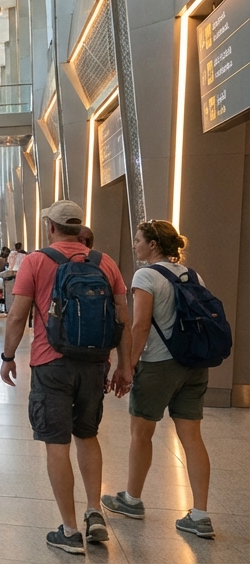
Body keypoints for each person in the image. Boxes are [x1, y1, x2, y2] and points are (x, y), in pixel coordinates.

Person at [0, 200, 130, 555]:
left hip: (50, 363)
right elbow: (122, 318)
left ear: (50, 226)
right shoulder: (105, 262)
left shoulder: (37, 261)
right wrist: (124, 365)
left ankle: (70, 531)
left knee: (56, 443)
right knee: (87, 435)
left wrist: (8, 357)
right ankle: (94, 512)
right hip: (95, 363)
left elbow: (16, 315)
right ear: (80, 228)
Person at [102, 220, 216, 539]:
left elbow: (140, 326)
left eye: (139, 240)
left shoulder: (146, 275)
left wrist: (130, 364)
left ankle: (132, 499)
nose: (135, 245)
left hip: (158, 363)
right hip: (193, 364)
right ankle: (200, 515)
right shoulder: (193, 275)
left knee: (141, 432)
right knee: (192, 436)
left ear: (153, 244)